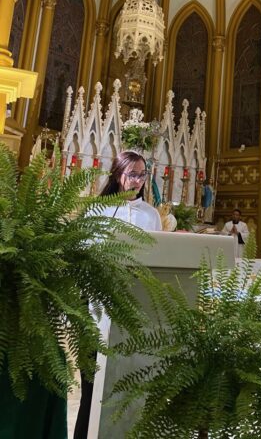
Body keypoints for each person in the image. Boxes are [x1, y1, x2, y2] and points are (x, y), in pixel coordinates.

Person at [74, 151, 161, 439]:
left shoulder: (151, 215)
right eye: (132, 174)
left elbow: (157, 258)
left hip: (136, 307)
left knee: (129, 381)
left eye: (142, 174)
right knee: (93, 383)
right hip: (97, 306)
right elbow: (82, 255)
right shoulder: (98, 210)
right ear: (117, 174)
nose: (138, 180)